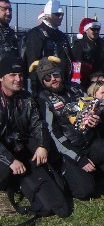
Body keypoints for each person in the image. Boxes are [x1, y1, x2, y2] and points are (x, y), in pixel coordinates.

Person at [34, 57, 104, 199]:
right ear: (42, 81)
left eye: (55, 74)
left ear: (60, 74)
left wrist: (96, 119)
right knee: (85, 192)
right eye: (47, 77)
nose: (53, 79)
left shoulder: (75, 87)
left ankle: (95, 174)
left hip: (90, 142)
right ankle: (73, 175)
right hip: (69, 151)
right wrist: (78, 158)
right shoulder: (43, 98)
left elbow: (94, 109)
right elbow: (54, 134)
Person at [0, 55, 70, 217]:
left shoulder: (26, 97)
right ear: (1, 77)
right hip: (3, 151)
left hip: (18, 144)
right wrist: (10, 161)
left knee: (42, 156)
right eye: (12, 75)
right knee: (5, 172)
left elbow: (37, 124)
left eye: (20, 75)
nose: (18, 79)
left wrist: (42, 146)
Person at [24, 0, 74, 95]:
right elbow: (33, 63)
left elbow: (70, 59)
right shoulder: (36, 34)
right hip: (44, 87)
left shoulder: (62, 36)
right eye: (57, 14)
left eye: (62, 14)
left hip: (62, 85)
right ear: (47, 15)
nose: (61, 17)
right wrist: (36, 88)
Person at [72, 18, 104, 88]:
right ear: (86, 30)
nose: (96, 31)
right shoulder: (79, 44)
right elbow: (76, 63)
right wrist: (76, 80)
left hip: (102, 78)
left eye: (98, 29)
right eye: (93, 29)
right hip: (86, 80)